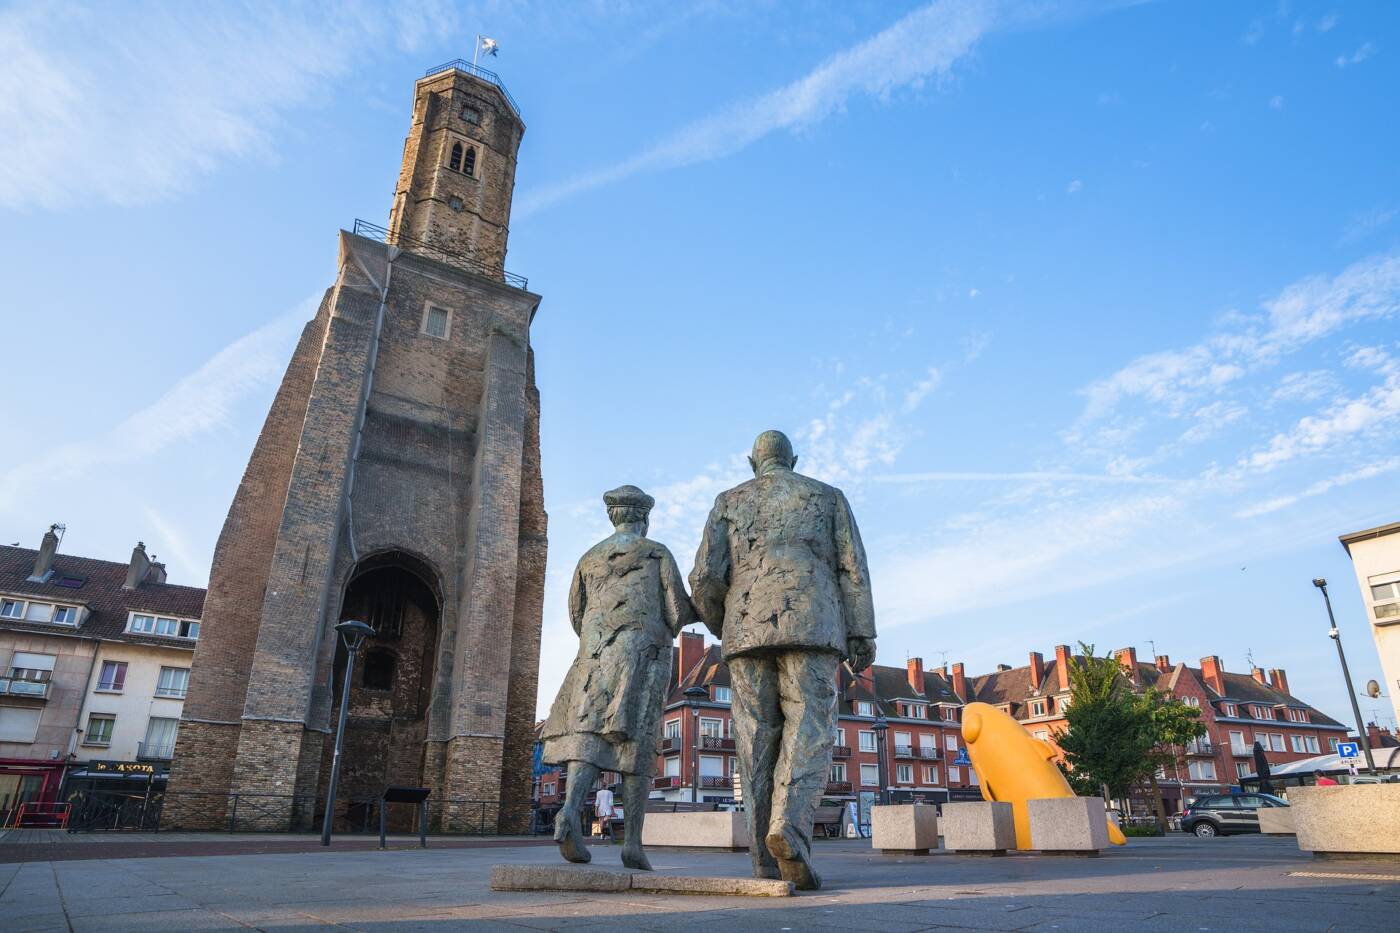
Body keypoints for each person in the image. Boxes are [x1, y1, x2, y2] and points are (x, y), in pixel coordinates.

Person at [690, 430, 876, 890]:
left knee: (754, 738)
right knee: (809, 727)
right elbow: (852, 567)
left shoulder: (728, 501)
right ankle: (788, 827)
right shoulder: (828, 496)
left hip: (746, 627)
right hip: (813, 623)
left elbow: (705, 576)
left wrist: (726, 624)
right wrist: (861, 631)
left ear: (751, 462)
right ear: (793, 459)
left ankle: (762, 860)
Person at [541, 485, 696, 871]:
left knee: (588, 737)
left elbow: (576, 613)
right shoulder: (656, 552)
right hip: (643, 657)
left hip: (593, 657)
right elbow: (676, 611)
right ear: (643, 519)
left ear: (613, 517)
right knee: (638, 748)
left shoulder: (588, 558)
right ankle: (633, 844)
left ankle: (570, 810)